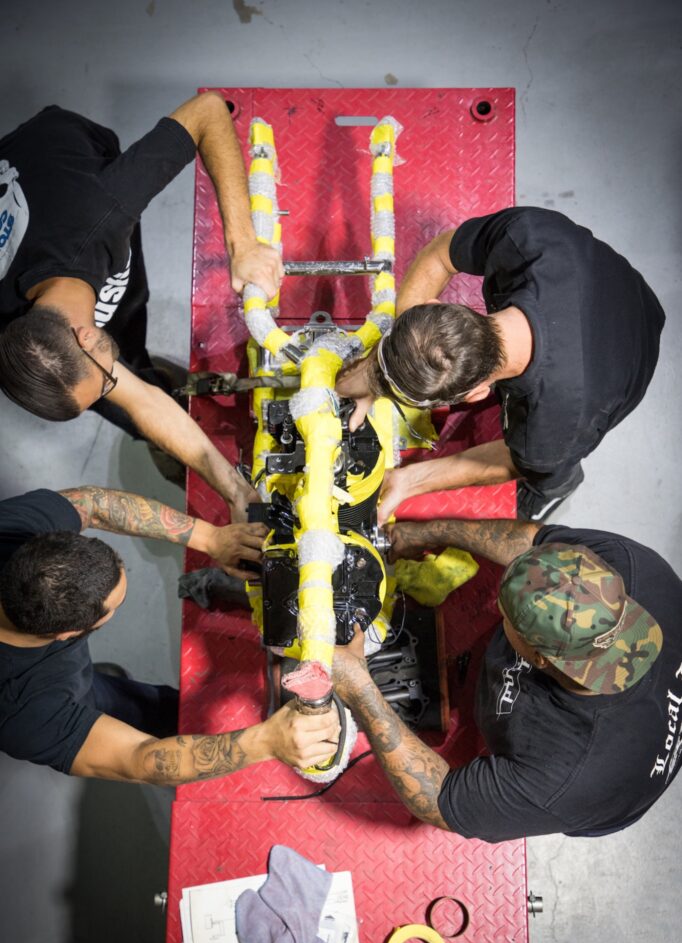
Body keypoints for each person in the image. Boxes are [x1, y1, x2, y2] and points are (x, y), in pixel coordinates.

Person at [0, 93, 283, 519]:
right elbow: (139, 401)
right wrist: (237, 492)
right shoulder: (22, 337)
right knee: (126, 386)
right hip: (52, 242)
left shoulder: (103, 208)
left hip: (56, 150)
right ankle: (145, 376)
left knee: (130, 320)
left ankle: (138, 363)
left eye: (108, 382)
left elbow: (207, 111)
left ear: (88, 334)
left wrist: (242, 245)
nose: (120, 390)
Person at [332, 517, 682, 841]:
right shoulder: (637, 568)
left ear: (539, 657)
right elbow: (533, 539)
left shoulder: (567, 777)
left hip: (603, 791)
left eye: (508, 618)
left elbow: (440, 800)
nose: (502, 613)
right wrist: (427, 533)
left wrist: (359, 686)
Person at [336, 207, 665, 522]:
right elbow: (440, 253)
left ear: (476, 393)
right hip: (614, 285)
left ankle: (557, 490)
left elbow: (514, 461)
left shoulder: (555, 426)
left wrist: (411, 480)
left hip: (629, 362)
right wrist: (377, 373)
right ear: (435, 306)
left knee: (546, 471)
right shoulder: (526, 237)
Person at [0, 488, 339, 782]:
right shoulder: (26, 712)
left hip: (56, 669)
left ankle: (108, 690)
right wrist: (265, 743)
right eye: (116, 605)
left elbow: (93, 503)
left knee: (127, 699)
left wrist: (211, 538)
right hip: (43, 691)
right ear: (69, 633)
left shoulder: (14, 530)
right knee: (119, 712)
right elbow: (137, 758)